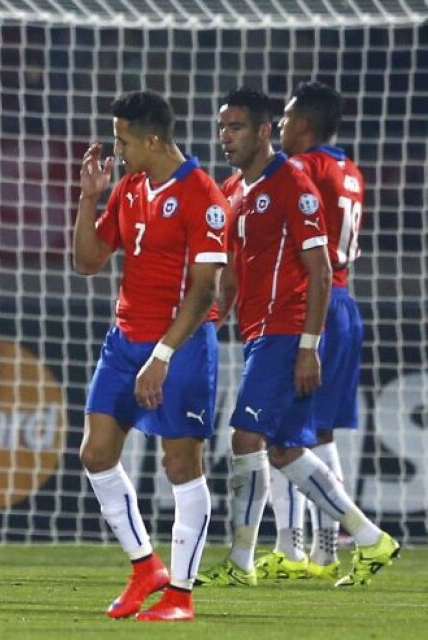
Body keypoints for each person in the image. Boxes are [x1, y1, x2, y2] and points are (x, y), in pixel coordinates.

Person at [198, 87, 398, 589]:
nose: (226, 137)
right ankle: (371, 539)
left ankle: (243, 563)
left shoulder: (296, 181)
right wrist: (211, 319)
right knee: (285, 447)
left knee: (246, 437)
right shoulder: (235, 188)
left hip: (289, 329)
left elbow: (321, 267)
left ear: (266, 130)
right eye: (222, 127)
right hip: (259, 330)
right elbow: (232, 274)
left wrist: (309, 345)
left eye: (237, 127)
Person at [72, 90, 226, 622]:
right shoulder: (132, 187)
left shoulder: (202, 196)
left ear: (153, 140)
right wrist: (89, 197)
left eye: (124, 140)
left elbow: (205, 290)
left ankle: (181, 594)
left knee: (180, 464)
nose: (118, 149)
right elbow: (88, 262)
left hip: (180, 344)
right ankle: (145, 567)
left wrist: (161, 355)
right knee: (95, 454)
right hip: (124, 338)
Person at [252, 81, 368, 581]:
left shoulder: (304, 168)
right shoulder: (349, 171)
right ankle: (322, 551)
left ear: (303, 124)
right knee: (316, 431)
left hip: (309, 306)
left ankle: (296, 545)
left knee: (279, 431)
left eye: (285, 118)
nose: (279, 126)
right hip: (343, 303)